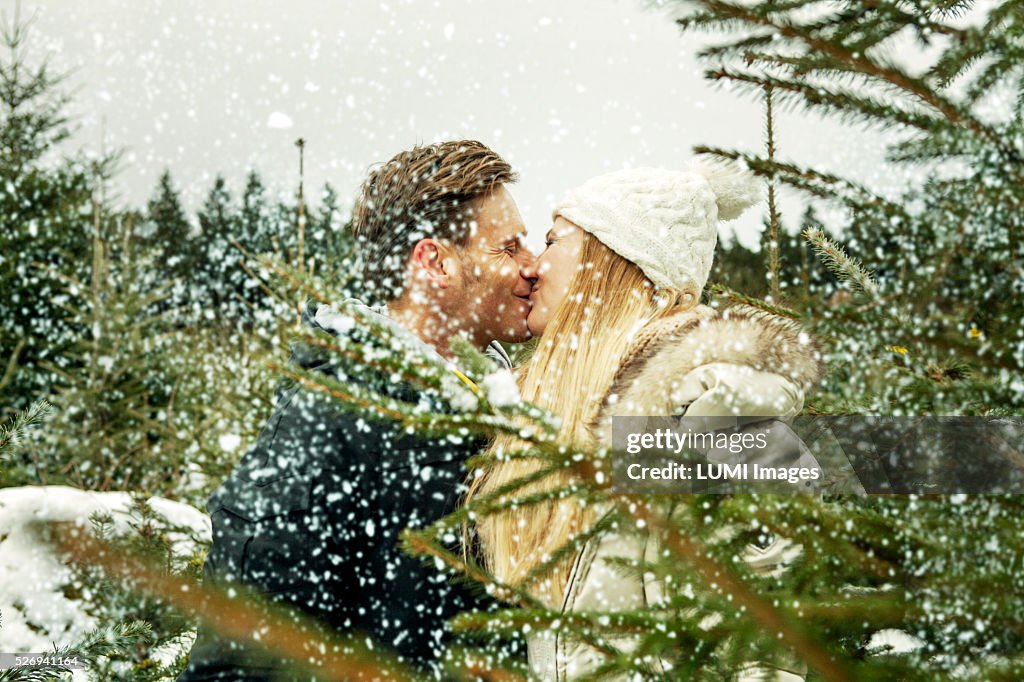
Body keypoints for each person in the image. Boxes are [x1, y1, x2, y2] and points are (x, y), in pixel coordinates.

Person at [180, 140, 535, 680]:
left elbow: (692, 472)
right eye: (508, 248)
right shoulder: (332, 419)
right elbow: (239, 658)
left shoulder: (516, 398)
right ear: (436, 262)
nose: (532, 267)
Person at [465, 159, 823, 680]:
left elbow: (765, 652)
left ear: (612, 262)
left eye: (554, 240)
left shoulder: (728, 424)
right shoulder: (565, 418)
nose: (535, 266)